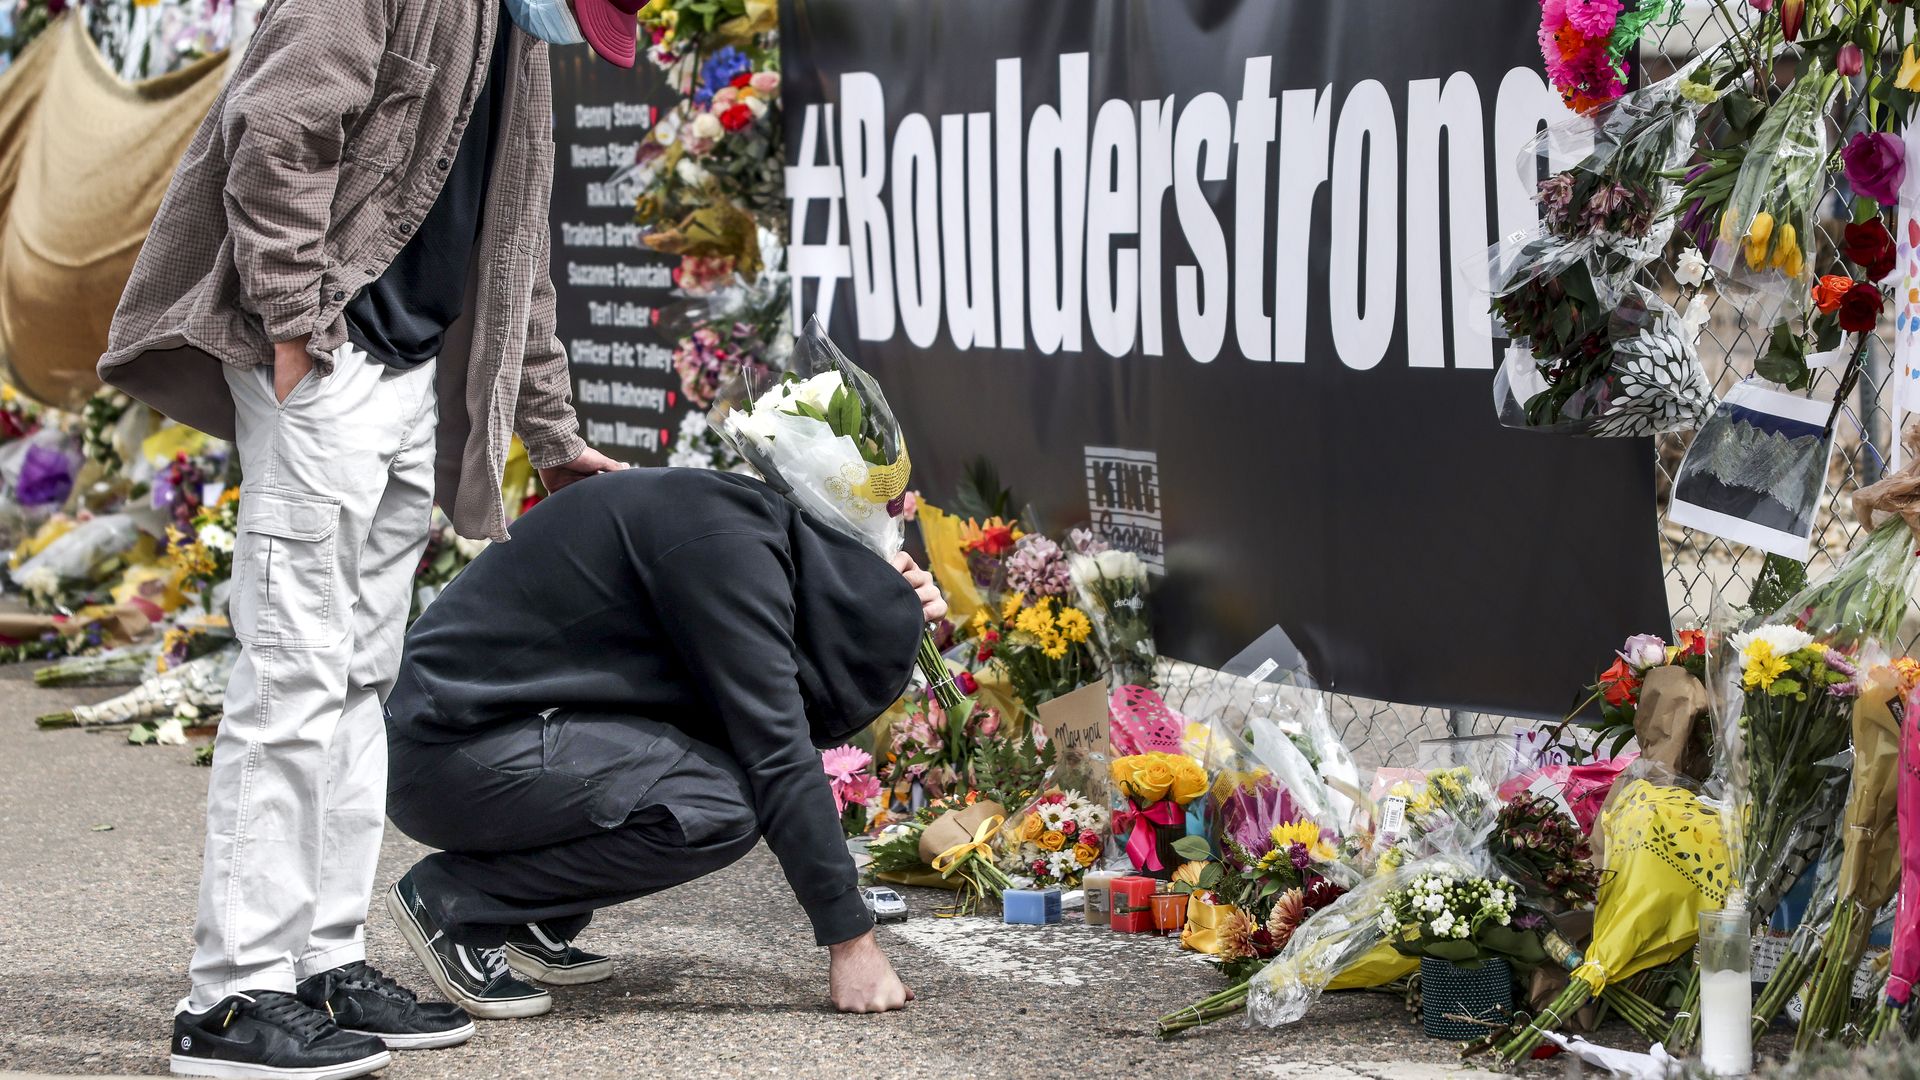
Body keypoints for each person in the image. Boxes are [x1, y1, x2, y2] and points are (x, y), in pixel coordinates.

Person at [96, 0, 639, 1075]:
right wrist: (294, 320)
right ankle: (231, 997)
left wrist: (551, 430)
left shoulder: (516, 35)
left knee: (354, 680)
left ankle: (320, 962)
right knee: (291, 679)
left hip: (407, 379)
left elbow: (517, 245)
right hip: (328, 366)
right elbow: (279, 123)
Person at [381, 467, 936, 1018]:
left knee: (702, 764)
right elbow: (778, 752)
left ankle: (533, 914)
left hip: (473, 733)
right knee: (716, 805)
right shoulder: (727, 552)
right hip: (442, 751)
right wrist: (853, 942)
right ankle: (455, 900)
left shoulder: (745, 528)